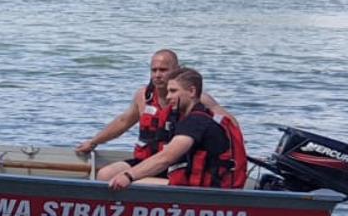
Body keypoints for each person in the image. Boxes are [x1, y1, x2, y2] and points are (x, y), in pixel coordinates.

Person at [79, 49, 225, 183]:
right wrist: (93, 142)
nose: (157, 75)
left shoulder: (196, 100)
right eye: (154, 70)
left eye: (163, 70)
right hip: (146, 160)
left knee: (136, 181)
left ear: (177, 70)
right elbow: (123, 122)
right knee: (105, 174)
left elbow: (228, 124)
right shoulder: (143, 96)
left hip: (177, 165)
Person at [107, 68, 246, 190]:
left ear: (192, 91)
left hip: (208, 193)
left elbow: (166, 157)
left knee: (125, 181)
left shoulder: (196, 121)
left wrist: (128, 176)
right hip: (199, 188)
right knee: (112, 174)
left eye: (173, 91)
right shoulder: (197, 117)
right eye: (168, 91)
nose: (168, 97)